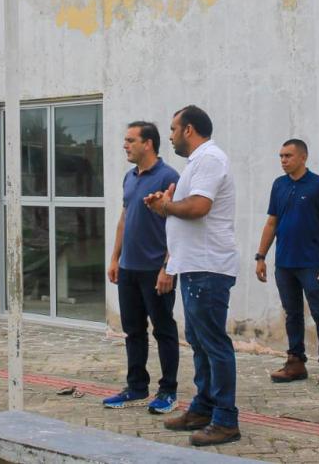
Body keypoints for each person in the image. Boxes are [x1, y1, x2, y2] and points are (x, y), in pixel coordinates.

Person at [144, 105, 240, 447]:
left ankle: (226, 419)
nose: (169, 136)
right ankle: (203, 407)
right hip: (194, 265)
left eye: (172, 129)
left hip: (208, 266)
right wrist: (166, 202)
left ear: (189, 130)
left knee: (213, 343)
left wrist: (166, 207)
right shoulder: (196, 164)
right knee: (199, 341)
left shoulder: (209, 159)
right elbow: (187, 206)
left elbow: (199, 208)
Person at [103, 121, 181, 413]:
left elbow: (178, 227)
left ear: (148, 143)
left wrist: (167, 268)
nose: (125, 145)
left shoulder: (169, 177)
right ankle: (136, 387)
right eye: (125, 140)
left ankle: (169, 391)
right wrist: (115, 258)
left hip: (155, 269)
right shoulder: (130, 177)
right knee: (133, 331)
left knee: (164, 330)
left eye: (131, 140)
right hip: (129, 268)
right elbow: (125, 219)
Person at [255, 138, 319, 390]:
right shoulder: (279, 185)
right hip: (284, 263)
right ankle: (295, 361)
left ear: (303, 157)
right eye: (281, 156)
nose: (283, 160)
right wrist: (261, 256)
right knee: (292, 314)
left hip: (311, 262)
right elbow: (272, 222)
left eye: (288, 156)